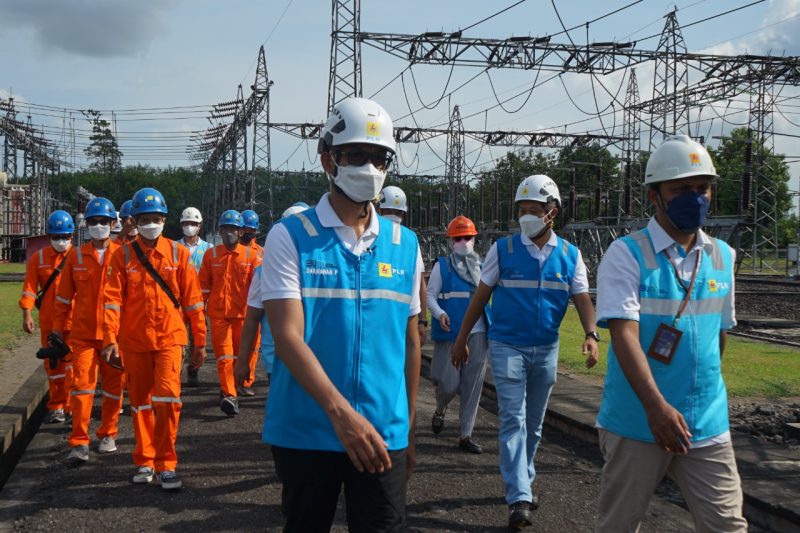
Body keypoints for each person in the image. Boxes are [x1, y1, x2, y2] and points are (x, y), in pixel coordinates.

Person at [261, 97, 423, 531]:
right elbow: (288, 335)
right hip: (308, 430)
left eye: (379, 157)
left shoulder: (405, 244)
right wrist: (341, 414)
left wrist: (405, 431)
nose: (368, 166)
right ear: (327, 159)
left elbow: (411, 343)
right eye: (355, 154)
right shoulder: (290, 237)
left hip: (381, 432)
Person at [594, 135, 747, 532]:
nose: (694, 197)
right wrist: (656, 408)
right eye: (681, 188)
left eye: (702, 188)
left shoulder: (722, 256)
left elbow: (719, 335)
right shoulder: (627, 254)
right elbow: (624, 336)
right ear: (654, 195)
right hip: (638, 421)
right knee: (619, 525)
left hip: (707, 423)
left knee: (728, 526)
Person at [451, 174, 599, 530]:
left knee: (534, 425)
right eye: (522, 211)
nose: (526, 217)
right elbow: (480, 296)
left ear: (552, 213)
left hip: (546, 348)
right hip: (506, 346)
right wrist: (461, 338)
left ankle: (523, 479)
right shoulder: (503, 250)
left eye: (534, 210)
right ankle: (519, 495)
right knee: (513, 419)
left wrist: (591, 334)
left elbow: (581, 298)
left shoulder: (570, 255)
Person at [102, 187, 207, 491]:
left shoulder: (178, 254)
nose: (151, 223)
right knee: (140, 405)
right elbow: (112, 301)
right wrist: (110, 339)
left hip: (169, 340)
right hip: (134, 343)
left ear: (164, 219)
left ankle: (167, 463)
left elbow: (193, 302)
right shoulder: (122, 256)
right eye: (144, 219)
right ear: (133, 220)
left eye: (156, 218)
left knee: (168, 401)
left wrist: (199, 340)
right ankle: (145, 460)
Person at [53, 198, 124, 464]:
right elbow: (62, 298)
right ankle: (79, 442)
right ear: (86, 225)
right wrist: (58, 330)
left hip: (114, 337)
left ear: (112, 224)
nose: (98, 226)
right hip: (83, 336)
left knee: (113, 389)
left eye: (103, 222)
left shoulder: (123, 254)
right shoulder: (76, 256)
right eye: (93, 222)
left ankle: (108, 433)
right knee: (81, 389)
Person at [427, 215, 489, 454]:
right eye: (458, 238)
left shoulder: (483, 267)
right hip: (451, 331)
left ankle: (466, 434)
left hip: (479, 332)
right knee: (449, 383)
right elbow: (430, 295)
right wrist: (439, 313)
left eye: (467, 237)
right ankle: (441, 408)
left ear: (474, 239)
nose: (463, 242)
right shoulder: (442, 266)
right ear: (451, 241)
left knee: (473, 385)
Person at [235, 204, 310, 393]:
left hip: (315, 358)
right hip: (277, 360)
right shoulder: (263, 273)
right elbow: (252, 318)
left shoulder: (322, 272)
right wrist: (243, 361)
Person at [199, 210, 259, 415]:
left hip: (244, 318)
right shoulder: (211, 255)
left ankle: (232, 388)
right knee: (224, 357)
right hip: (219, 316)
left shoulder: (252, 256)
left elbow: (258, 289)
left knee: (240, 358)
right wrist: (198, 317)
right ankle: (229, 395)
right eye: (224, 229)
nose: (228, 233)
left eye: (232, 229)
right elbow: (203, 289)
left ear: (241, 231)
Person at [19, 210, 76, 425]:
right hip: (50, 323)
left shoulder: (78, 257)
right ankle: (56, 406)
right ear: (48, 235)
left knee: (73, 367)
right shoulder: (39, 258)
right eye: (56, 236)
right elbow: (30, 289)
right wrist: (26, 313)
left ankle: (71, 407)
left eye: (65, 236)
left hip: (75, 322)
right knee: (54, 368)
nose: (61, 241)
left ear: (72, 236)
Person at [378, 185, 430, 346]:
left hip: (376, 317)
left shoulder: (368, 235)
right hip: (403, 318)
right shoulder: (410, 240)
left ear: (379, 209)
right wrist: (423, 321)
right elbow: (420, 283)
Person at [177, 206, 213, 388]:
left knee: (196, 338)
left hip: (199, 301)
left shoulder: (209, 249)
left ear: (199, 226)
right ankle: (175, 371)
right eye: (186, 223)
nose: (189, 226)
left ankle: (193, 370)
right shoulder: (174, 247)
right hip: (177, 301)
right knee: (178, 338)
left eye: (193, 223)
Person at [238, 208, 264, 394]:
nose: (248, 233)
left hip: (255, 306)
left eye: (251, 230)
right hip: (236, 307)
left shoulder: (261, 251)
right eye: (245, 229)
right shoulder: (232, 250)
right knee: (236, 347)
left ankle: (247, 381)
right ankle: (234, 381)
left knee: (254, 347)